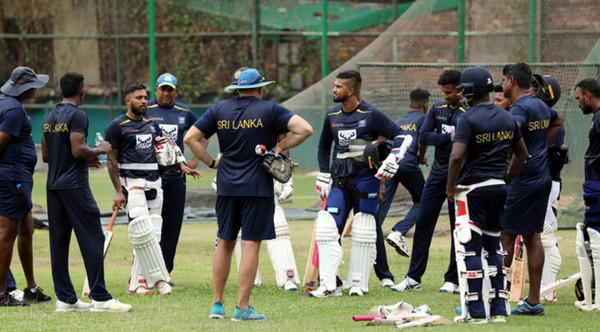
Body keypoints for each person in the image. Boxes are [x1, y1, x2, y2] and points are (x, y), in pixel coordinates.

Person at [184, 68, 312, 321]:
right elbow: (305, 129)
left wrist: (211, 163)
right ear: (261, 88)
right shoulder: (270, 109)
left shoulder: (219, 109)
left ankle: (217, 306)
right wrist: (279, 147)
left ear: (236, 89)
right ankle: (242, 308)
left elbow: (191, 138)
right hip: (257, 187)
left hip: (227, 185)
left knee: (224, 242)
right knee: (250, 244)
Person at [312, 70, 411, 297]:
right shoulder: (332, 115)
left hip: (366, 181)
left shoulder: (371, 114)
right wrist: (324, 173)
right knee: (329, 228)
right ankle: (329, 283)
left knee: (366, 229)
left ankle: (360, 281)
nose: (334, 90)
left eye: (339, 86)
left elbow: (402, 135)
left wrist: (393, 157)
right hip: (339, 182)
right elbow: (323, 147)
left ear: (353, 89)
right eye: (334, 85)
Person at [42, 72, 131, 312]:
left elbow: (47, 156)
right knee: (93, 236)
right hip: (74, 186)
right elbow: (78, 150)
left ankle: (66, 299)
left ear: (61, 91)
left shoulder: (51, 115)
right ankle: (100, 297)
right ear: (82, 92)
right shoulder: (78, 115)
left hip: (53, 186)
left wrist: (84, 158)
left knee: (58, 241)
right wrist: (100, 150)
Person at [446, 66, 529, 324]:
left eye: (463, 89)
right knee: (494, 249)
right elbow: (522, 156)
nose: (461, 94)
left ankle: (477, 314)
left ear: (471, 91)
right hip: (498, 189)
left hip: (472, 190)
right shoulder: (508, 118)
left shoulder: (467, 119)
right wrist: (504, 180)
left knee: (470, 250)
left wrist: (450, 187)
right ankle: (499, 311)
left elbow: (457, 156)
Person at [105, 82, 199, 296]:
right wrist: (119, 190)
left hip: (155, 183)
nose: (143, 101)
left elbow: (168, 149)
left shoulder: (152, 125)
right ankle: (161, 280)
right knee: (142, 232)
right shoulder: (117, 126)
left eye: (144, 97)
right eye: (138, 97)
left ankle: (138, 282)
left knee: (153, 234)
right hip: (132, 183)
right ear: (127, 101)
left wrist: (182, 164)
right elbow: (111, 161)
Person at [392, 70, 464, 293]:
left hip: (459, 177)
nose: (445, 96)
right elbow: (424, 136)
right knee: (423, 222)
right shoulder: (436, 110)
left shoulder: (467, 113)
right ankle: (414, 278)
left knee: (457, 228)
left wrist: (444, 139)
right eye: (442, 92)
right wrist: (448, 138)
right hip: (436, 176)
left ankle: (453, 279)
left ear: (461, 89)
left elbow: (463, 145)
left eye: (449, 92)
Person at [500, 63, 563, 316]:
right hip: (542, 179)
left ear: (512, 81)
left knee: (506, 236)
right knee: (533, 236)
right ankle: (534, 301)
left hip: (522, 182)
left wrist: (507, 177)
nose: (502, 84)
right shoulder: (538, 103)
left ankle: (498, 298)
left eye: (503, 80)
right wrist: (538, 148)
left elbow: (512, 134)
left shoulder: (521, 107)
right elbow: (558, 120)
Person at [0, 67, 52, 306]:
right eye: (33, 85)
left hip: (18, 179)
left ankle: (31, 287)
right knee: (7, 233)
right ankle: (2, 294)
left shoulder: (8, 104)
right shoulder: (12, 109)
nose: (36, 89)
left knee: (27, 229)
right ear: (24, 88)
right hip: (12, 178)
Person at [146, 73, 200, 276]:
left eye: (170, 89)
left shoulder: (184, 112)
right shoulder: (146, 109)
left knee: (172, 223)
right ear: (156, 90)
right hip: (151, 175)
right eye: (163, 89)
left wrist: (194, 160)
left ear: (176, 92)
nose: (166, 93)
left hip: (177, 176)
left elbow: (202, 137)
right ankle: (144, 271)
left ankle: (165, 271)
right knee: (149, 223)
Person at [380, 88, 430, 259]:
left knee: (383, 203)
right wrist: (421, 157)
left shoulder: (400, 121)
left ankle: (373, 236)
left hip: (391, 163)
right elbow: (423, 140)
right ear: (426, 105)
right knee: (424, 201)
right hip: (408, 163)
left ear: (409, 104)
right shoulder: (425, 118)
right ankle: (399, 232)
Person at [530, 74, 565, 302]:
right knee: (541, 234)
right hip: (544, 182)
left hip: (546, 182)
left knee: (545, 235)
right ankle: (545, 287)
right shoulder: (542, 117)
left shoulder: (547, 120)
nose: (531, 90)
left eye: (536, 88)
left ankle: (549, 289)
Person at [573, 78, 600, 311]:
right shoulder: (596, 118)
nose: (578, 103)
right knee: (586, 239)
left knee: (595, 240)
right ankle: (591, 297)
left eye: (578, 98)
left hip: (598, 186)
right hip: (593, 185)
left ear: (588, 95)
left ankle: (597, 301)